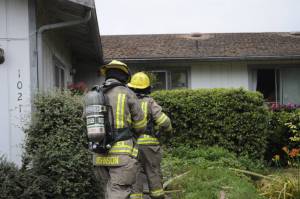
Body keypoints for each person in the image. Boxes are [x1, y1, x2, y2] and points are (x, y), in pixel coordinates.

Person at [93, 60, 147, 199]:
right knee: (118, 192)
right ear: (124, 76)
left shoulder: (94, 94)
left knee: (107, 191)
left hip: (99, 155)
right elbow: (140, 125)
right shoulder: (127, 93)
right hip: (121, 156)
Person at [128, 72, 172, 199]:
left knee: (134, 174)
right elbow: (164, 121)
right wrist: (168, 131)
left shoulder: (128, 102)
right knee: (153, 172)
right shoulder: (150, 102)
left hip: (131, 145)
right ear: (148, 88)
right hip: (150, 146)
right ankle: (157, 196)